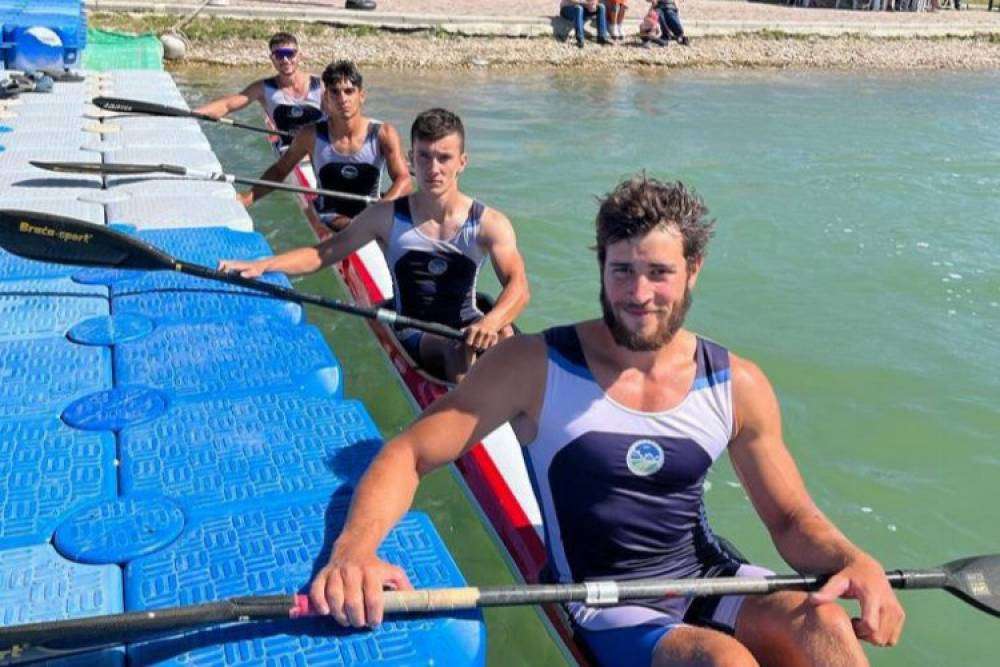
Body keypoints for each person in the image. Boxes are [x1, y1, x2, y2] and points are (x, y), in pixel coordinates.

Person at [306, 175, 905, 666]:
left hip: (707, 575)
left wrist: (852, 561)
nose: (638, 293)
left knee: (826, 625)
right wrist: (354, 551)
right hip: (604, 601)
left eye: (659, 272)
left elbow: (790, 518)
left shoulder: (735, 382)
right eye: (621, 270)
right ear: (601, 266)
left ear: (693, 269)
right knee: (725, 663)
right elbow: (408, 454)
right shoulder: (533, 365)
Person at [219, 108, 529, 383]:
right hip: (413, 329)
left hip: (468, 323)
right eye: (424, 156)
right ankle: (470, 416)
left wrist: (492, 321)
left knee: (510, 336)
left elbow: (519, 286)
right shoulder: (385, 216)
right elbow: (322, 253)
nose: (433, 168)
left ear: (462, 162)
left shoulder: (489, 222)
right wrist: (262, 264)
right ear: (411, 159)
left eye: (444, 158)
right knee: (457, 348)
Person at [237, 60, 411, 232]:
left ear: (361, 96)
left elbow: (404, 180)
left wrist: (380, 209)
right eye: (335, 92)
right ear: (326, 98)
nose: (342, 99)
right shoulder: (310, 135)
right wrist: (248, 198)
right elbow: (280, 171)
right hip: (329, 217)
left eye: (349, 91)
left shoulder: (384, 133)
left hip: (372, 213)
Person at [194, 32, 323, 148]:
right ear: (272, 58)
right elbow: (227, 105)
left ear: (299, 56)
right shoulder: (262, 88)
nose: (285, 60)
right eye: (279, 55)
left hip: (321, 150)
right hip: (289, 152)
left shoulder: (322, 85)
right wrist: (192, 114)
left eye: (290, 54)